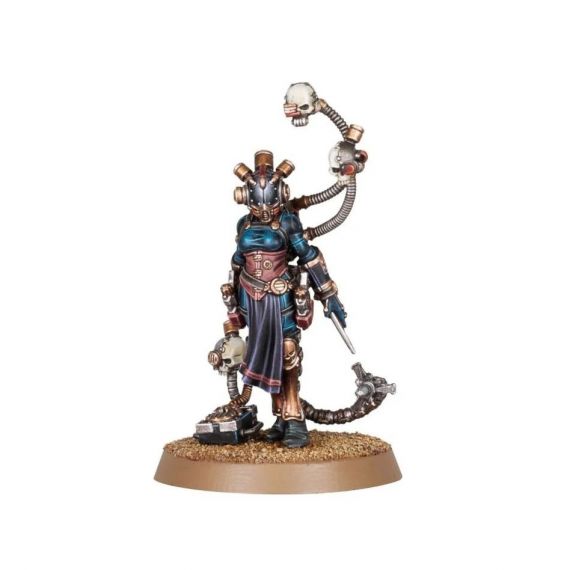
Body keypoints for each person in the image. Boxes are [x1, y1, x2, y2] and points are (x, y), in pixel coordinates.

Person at [222, 150, 347, 448]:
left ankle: (294, 420)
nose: (265, 210)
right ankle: (280, 417)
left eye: (270, 202)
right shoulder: (244, 224)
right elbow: (237, 261)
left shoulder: (288, 222)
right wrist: (232, 302)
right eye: (258, 202)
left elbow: (308, 256)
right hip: (251, 300)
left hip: (280, 299)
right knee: (264, 355)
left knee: (287, 353)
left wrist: (329, 294)